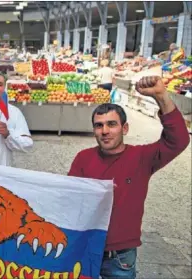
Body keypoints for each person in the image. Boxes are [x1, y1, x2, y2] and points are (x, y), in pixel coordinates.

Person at [67, 76, 190, 279]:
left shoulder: (142, 157)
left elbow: (178, 140)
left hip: (119, 257)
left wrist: (161, 96)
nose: (105, 131)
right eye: (99, 126)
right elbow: (71, 198)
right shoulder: (83, 158)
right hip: (84, 248)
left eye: (111, 124)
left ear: (125, 128)